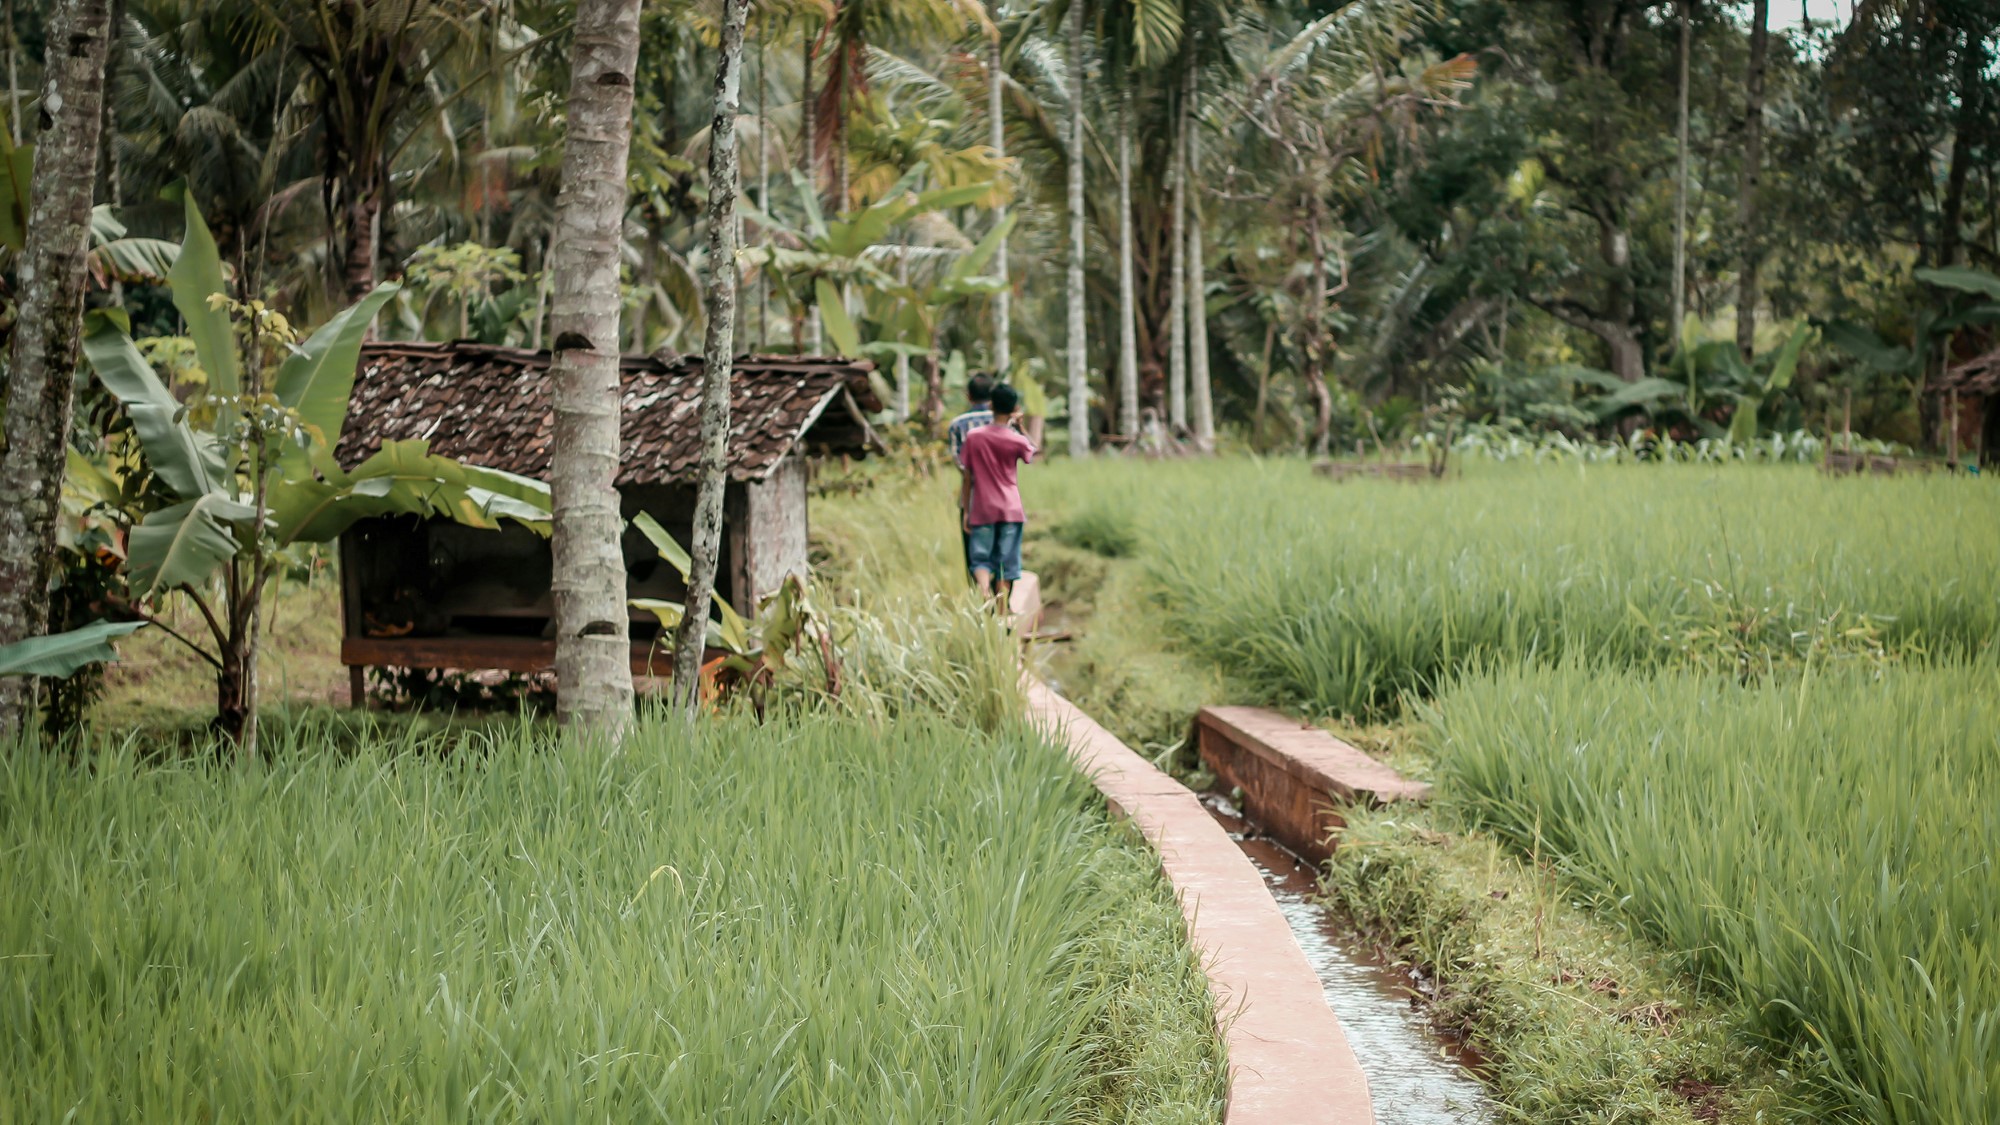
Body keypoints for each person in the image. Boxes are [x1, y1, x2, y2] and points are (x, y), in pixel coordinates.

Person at [959, 383, 1037, 607]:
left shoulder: (974, 437)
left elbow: (968, 476)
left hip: (983, 507)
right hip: (1011, 508)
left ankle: (984, 593)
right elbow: (1033, 451)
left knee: (981, 558)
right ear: (1014, 408)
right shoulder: (1016, 439)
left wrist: (966, 510)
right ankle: (1002, 606)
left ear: (991, 405)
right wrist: (1020, 427)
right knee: (1007, 561)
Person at [946, 374, 996, 580]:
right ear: (992, 396)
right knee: (1001, 551)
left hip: (973, 496)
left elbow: (960, 463)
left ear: (968, 396)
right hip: (1002, 495)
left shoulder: (957, 425)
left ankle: (980, 602)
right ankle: (1002, 603)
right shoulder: (1002, 422)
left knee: (974, 556)